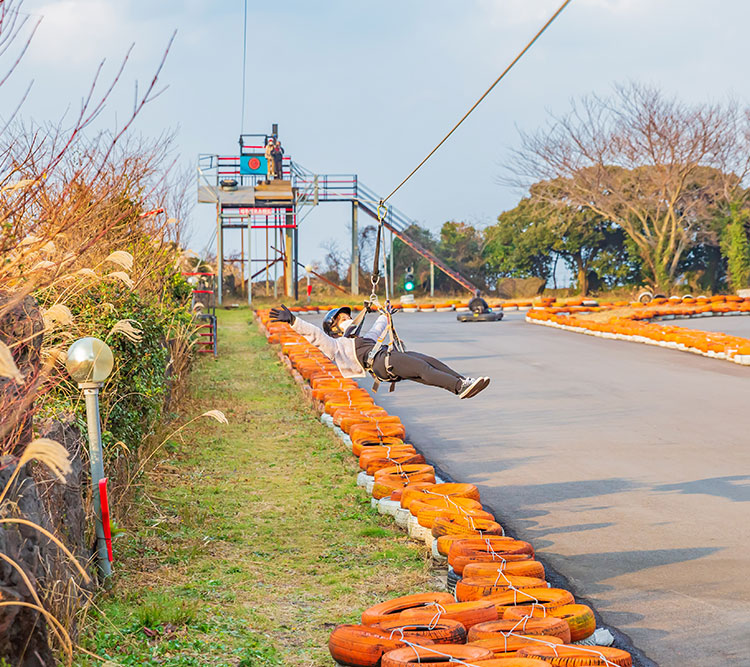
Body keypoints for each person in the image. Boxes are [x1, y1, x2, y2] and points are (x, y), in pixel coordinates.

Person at [269, 304, 490, 399]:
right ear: (335, 329)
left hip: (386, 356)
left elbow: (377, 328)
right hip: (381, 363)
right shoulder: (337, 347)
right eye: (342, 319)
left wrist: (386, 314)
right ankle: (459, 387)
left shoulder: (362, 339)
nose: (347, 320)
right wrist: (293, 321)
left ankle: (464, 382)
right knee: (422, 368)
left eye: (347, 317)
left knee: (429, 361)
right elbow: (315, 335)